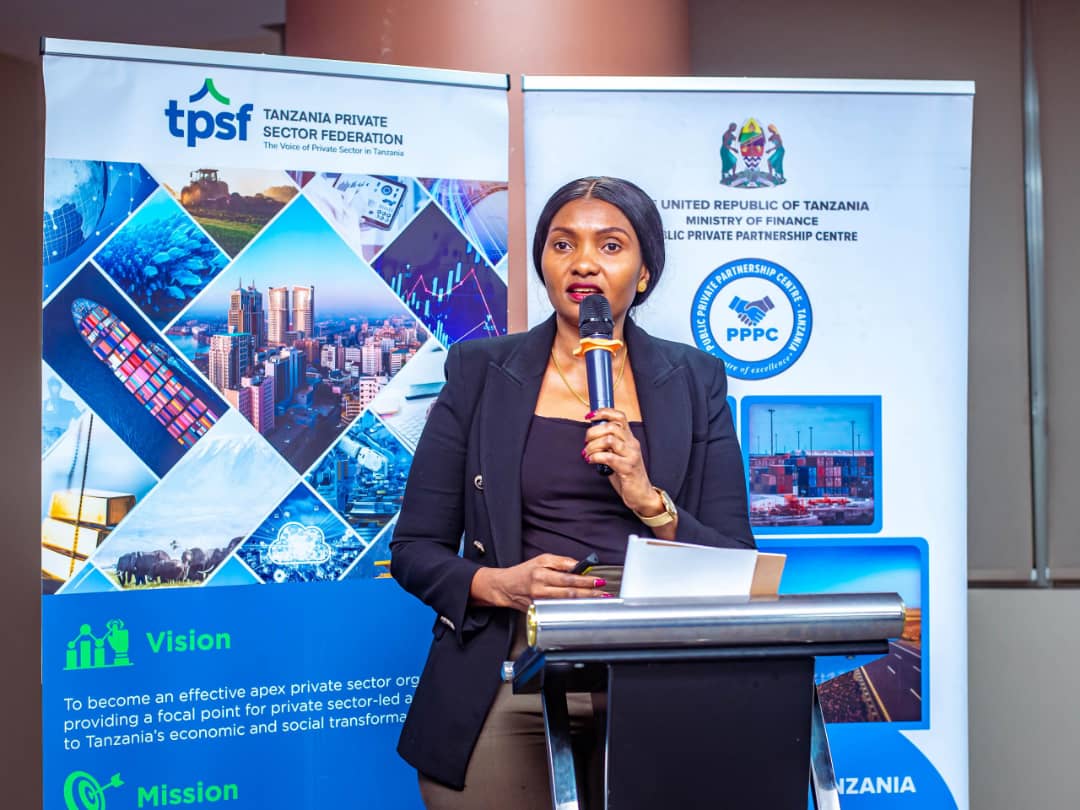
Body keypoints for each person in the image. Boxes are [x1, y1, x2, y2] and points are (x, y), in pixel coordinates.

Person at [390, 176, 755, 809]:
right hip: (510, 668)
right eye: (563, 244)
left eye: (610, 246)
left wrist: (650, 501)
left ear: (644, 273)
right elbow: (414, 549)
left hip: (656, 673)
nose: (583, 262)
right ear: (544, 265)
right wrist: (500, 585)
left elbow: (738, 564)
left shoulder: (696, 381)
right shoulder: (479, 372)